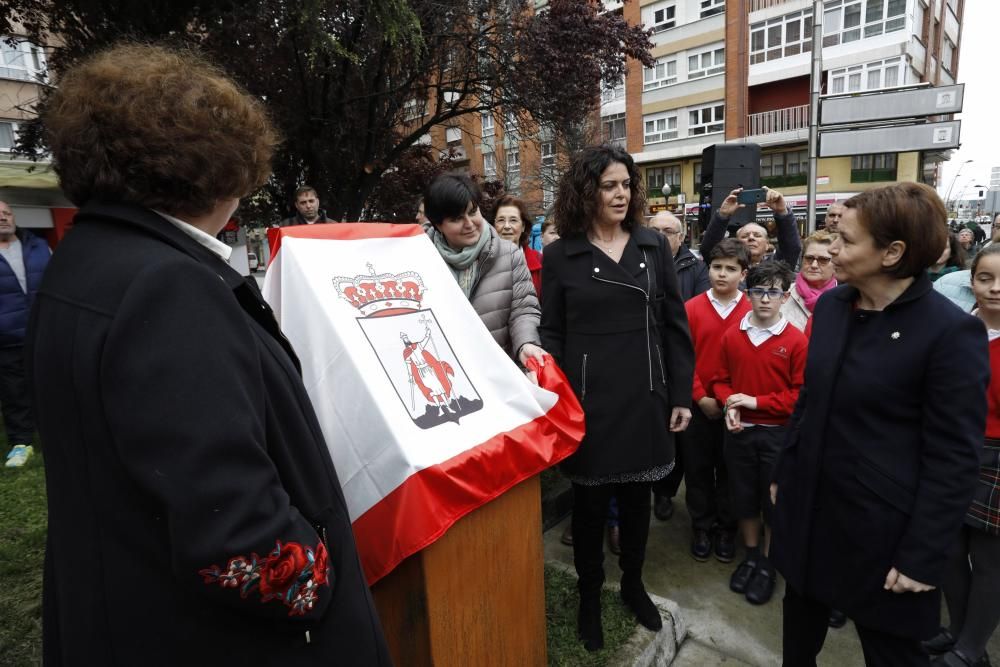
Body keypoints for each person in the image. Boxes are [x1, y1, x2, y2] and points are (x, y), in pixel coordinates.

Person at [31, 44, 390, 664]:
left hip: (120, 608)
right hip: (216, 638)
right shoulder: (168, 286)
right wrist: (316, 582)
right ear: (213, 165)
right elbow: (236, 536)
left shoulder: (83, 262)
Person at [770, 182, 988, 667]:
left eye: (845, 241)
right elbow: (810, 397)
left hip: (884, 535)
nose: (830, 250)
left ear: (892, 252)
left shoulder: (951, 334)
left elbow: (954, 458)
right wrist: (785, 471)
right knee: (797, 640)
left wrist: (923, 555)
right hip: (809, 514)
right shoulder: (831, 307)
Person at [540, 144, 694, 651]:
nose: (620, 193)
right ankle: (589, 595)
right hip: (590, 402)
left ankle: (632, 583)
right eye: (609, 185)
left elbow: (674, 326)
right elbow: (554, 333)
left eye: (626, 184)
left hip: (646, 394)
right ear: (586, 191)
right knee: (587, 507)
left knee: (637, 501)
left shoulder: (652, 246)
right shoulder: (563, 253)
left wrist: (680, 395)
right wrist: (560, 398)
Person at [713, 261, 807, 606]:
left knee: (772, 503)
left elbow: (800, 396)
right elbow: (720, 381)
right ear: (747, 293)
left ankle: (768, 564)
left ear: (785, 297)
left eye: (773, 292)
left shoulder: (795, 341)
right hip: (739, 434)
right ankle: (750, 555)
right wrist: (730, 405)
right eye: (758, 291)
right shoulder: (732, 335)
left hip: (776, 437)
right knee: (744, 497)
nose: (765, 299)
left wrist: (754, 401)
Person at [925, 245, 1000, 667]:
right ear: (971, 282)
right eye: (985, 278)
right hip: (951, 450)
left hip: (997, 457)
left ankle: (971, 648)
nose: (995, 289)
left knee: (990, 560)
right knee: (949, 549)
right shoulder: (957, 329)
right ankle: (957, 631)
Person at [423, 175, 545, 368]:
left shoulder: (510, 254)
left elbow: (524, 310)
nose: (469, 224)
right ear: (438, 225)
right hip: (443, 374)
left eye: (473, 212)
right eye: (456, 218)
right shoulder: (420, 257)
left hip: (496, 373)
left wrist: (526, 344)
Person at [682, 239, 752, 565]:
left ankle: (727, 527)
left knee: (730, 470)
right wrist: (700, 396)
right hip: (698, 406)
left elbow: (753, 362)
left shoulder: (752, 310)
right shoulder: (692, 307)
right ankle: (701, 525)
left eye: (730, 269)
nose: (722, 274)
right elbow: (684, 357)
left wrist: (728, 401)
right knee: (697, 469)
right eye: (716, 267)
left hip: (735, 407)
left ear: (743, 273)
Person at [649, 210, 709, 521]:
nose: (661, 236)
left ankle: (671, 492)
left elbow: (694, 316)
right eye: (655, 229)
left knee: (683, 436)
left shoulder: (696, 268)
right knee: (659, 433)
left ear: (682, 236)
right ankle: (660, 490)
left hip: (682, 359)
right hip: (648, 360)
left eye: (669, 231)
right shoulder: (640, 262)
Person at [0, 200, 49, 468]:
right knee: (15, 392)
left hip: (44, 333)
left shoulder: (38, 246)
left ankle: (61, 432)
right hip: (6, 338)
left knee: (54, 386)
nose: (3, 218)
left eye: (7, 213)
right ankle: (21, 443)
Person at [699, 186, 801, 270]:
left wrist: (782, 212)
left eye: (757, 235)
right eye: (745, 236)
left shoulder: (777, 267)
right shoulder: (726, 267)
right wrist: (723, 215)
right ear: (737, 243)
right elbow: (709, 250)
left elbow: (791, 249)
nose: (751, 238)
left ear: (767, 245)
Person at [780, 230, 838, 332]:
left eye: (823, 260)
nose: (814, 265)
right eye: (809, 258)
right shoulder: (781, 294)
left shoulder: (847, 298)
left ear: (836, 263)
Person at [492, 194, 543, 298]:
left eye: (513, 220)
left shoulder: (541, 261)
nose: (506, 226)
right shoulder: (483, 262)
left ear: (523, 226)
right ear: (494, 225)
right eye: (501, 220)